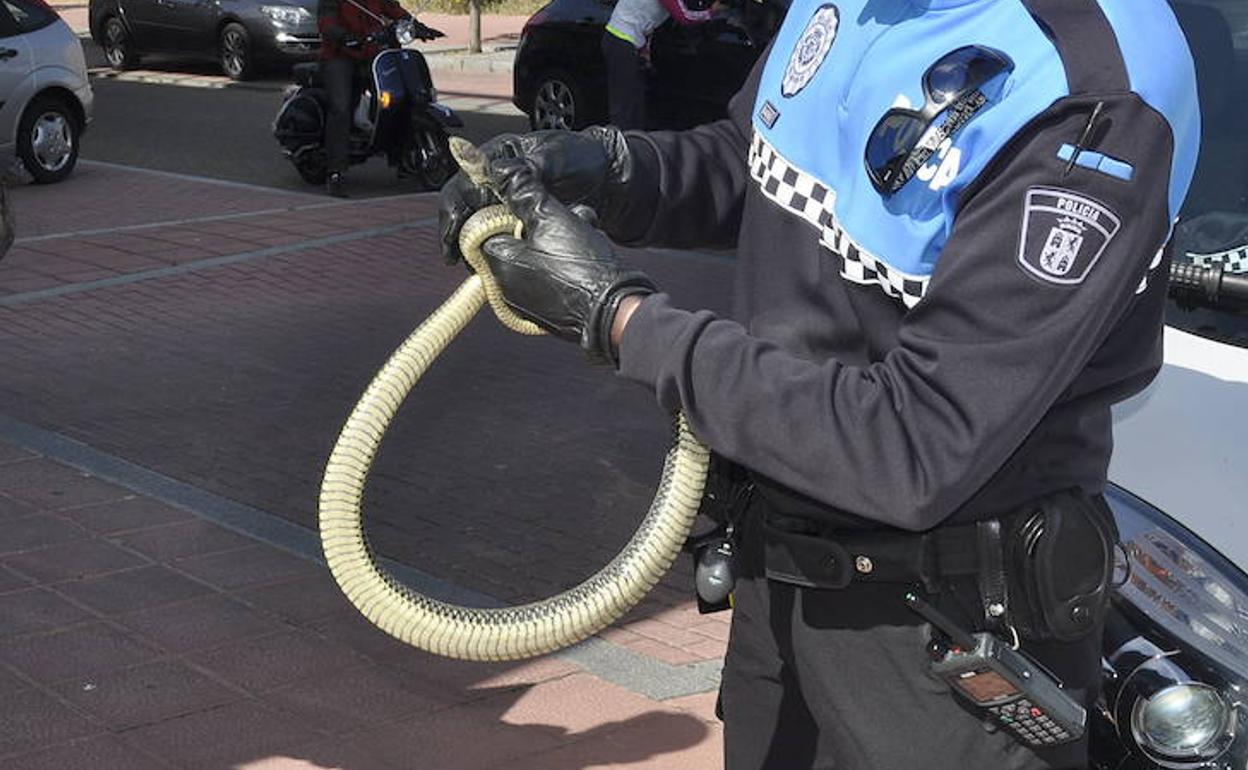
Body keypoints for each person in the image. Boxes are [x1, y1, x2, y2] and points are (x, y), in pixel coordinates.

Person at [440, 0, 1200, 767]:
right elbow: (759, 153)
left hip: (945, 638)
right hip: (781, 586)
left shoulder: (1093, 88)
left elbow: (915, 443)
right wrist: (613, 168)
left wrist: (620, 319)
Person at [316, 0, 439, 197]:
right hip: (340, 56)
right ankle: (335, 171)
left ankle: (401, 157)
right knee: (341, 107)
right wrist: (343, 36)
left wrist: (418, 27)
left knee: (398, 96)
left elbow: (394, 10)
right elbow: (326, 22)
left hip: (370, 53)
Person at [602, 0, 716, 129]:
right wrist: (712, 11)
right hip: (621, 42)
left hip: (628, 42)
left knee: (635, 102)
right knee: (625, 104)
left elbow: (647, 21)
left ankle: (633, 142)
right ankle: (616, 144)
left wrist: (644, 50)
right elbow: (684, 16)